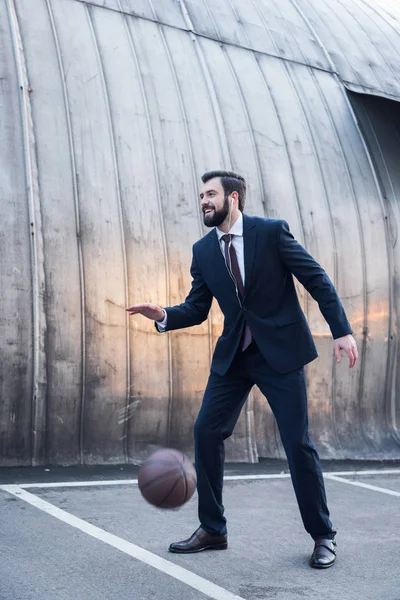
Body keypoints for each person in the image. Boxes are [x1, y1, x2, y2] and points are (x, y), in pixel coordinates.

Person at [126, 170, 358, 569]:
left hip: (280, 353)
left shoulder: (271, 233)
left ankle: (323, 535)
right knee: (206, 430)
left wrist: (342, 331)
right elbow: (197, 308)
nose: (203, 201)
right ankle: (213, 528)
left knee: (297, 443)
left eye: (211, 194)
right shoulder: (203, 251)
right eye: (201, 195)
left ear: (233, 198)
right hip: (235, 355)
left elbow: (315, 278)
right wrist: (164, 314)